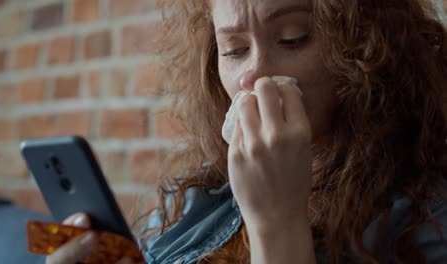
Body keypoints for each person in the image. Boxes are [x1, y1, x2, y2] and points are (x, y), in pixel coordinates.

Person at [46, 0, 447, 263]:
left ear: (365, 50)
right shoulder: (201, 197)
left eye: (293, 38)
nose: (253, 74)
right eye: (234, 50)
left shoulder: (425, 217)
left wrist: (276, 223)